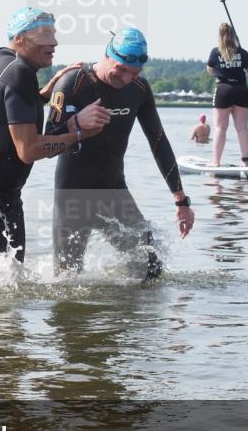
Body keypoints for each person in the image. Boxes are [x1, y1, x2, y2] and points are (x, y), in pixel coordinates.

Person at [0, 7, 109, 262]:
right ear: (20, 38)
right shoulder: (18, 72)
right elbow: (28, 150)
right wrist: (78, 133)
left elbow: (8, 110)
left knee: (12, 276)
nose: (54, 42)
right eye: (45, 34)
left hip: (6, 194)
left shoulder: (8, 62)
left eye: (54, 34)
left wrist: (45, 92)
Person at [45, 27, 193, 279]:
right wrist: (76, 123)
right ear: (106, 55)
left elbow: (158, 142)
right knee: (66, 279)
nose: (126, 78)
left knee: (150, 266)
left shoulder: (139, 89)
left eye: (134, 73)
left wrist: (181, 200)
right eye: (121, 69)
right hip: (73, 195)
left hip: (114, 191)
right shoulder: (73, 82)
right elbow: (46, 143)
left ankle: (128, 319)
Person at [206, 22, 248, 167]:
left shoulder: (215, 52)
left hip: (223, 90)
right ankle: (245, 162)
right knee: (242, 127)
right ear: (234, 35)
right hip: (241, 90)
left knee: (220, 127)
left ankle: (216, 162)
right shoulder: (242, 52)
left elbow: (210, 71)